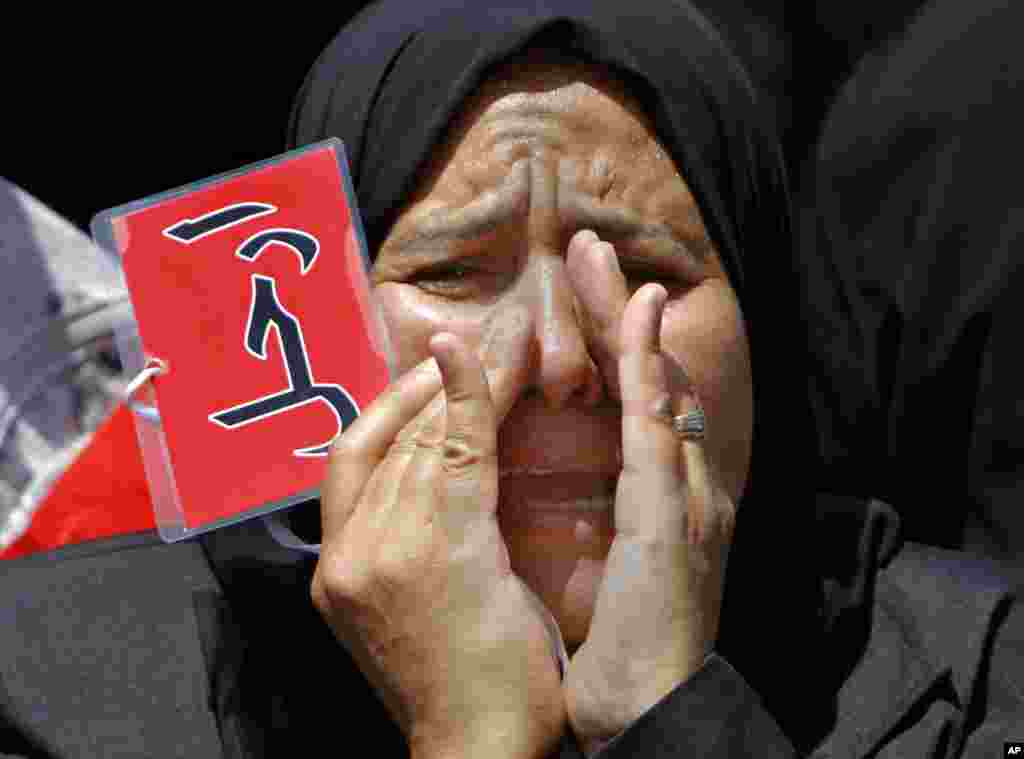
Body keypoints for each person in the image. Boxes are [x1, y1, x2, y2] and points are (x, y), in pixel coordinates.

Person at [0, 2, 1021, 758]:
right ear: (316, 320)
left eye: (643, 273)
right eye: (451, 273)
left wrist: (671, 719)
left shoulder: (980, 679)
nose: (563, 361)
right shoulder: (47, 690)